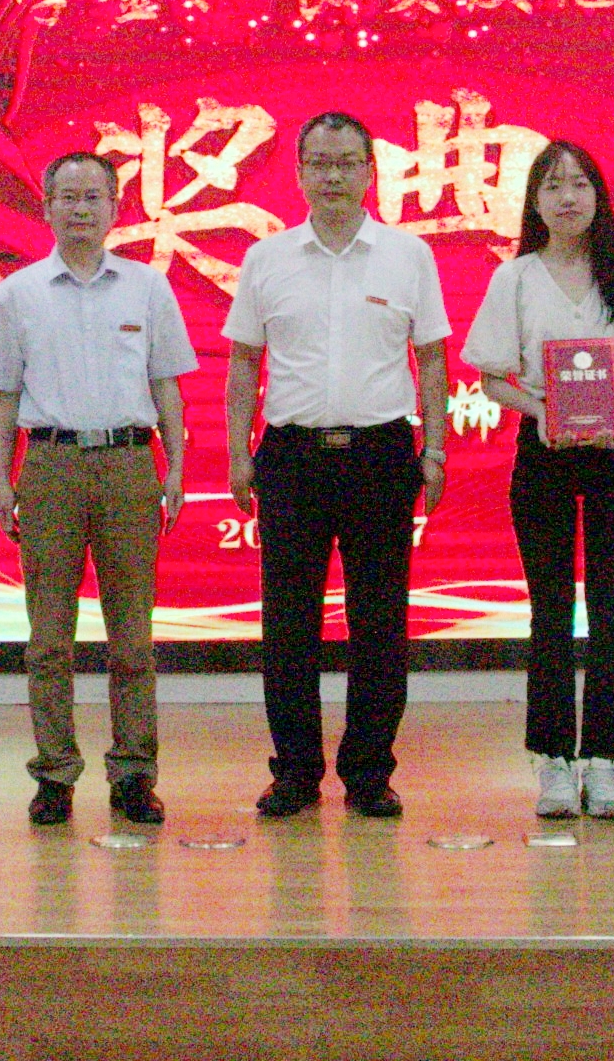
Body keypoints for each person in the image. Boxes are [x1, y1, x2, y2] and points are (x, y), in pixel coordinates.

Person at [224, 111, 452, 820]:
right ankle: (294, 773)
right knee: (288, 623)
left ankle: (369, 773)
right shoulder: (267, 258)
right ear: (298, 172)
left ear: (370, 172)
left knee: (379, 621)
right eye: (319, 163)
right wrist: (237, 452)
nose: (333, 176)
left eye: (347, 162)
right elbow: (243, 362)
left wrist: (436, 449)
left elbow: (432, 358)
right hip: (291, 457)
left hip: (381, 454)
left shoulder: (408, 255)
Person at [462, 139, 614, 822]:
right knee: (550, 610)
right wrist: (544, 411)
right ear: (534, 201)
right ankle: (554, 760)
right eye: (553, 186)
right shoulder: (515, 278)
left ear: (598, 197)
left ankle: (608, 761)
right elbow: (492, 376)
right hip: (545, 454)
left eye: (580, 184)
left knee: (613, 610)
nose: (567, 198)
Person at [0, 151, 196, 829]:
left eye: (93, 197)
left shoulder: (147, 288)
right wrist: (2, 479)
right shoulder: (18, 293)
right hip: (49, 467)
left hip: (130, 465)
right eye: (68, 197)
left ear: (114, 208)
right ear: (46, 208)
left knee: (132, 637)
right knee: (48, 637)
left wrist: (176, 467)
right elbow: (4, 396)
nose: (81, 209)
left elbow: (167, 385)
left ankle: (133, 773)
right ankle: (54, 774)